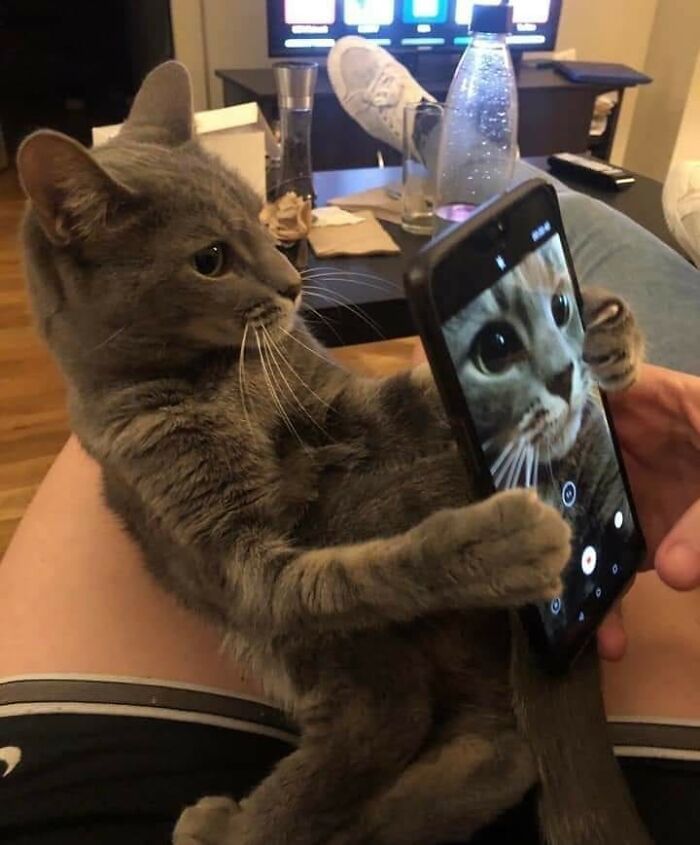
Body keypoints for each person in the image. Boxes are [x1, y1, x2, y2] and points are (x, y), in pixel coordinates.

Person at [2, 40, 699, 845]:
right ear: (73, 233)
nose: (287, 279)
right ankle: (440, 140)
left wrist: (528, 358)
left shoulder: (244, 338)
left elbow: (372, 413)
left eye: (257, 228)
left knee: (530, 234)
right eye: (214, 260)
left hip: (416, 562)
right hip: (332, 592)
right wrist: (448, 554)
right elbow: (259, 585)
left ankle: (435, 138)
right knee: (557, 206)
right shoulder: (141, 417)